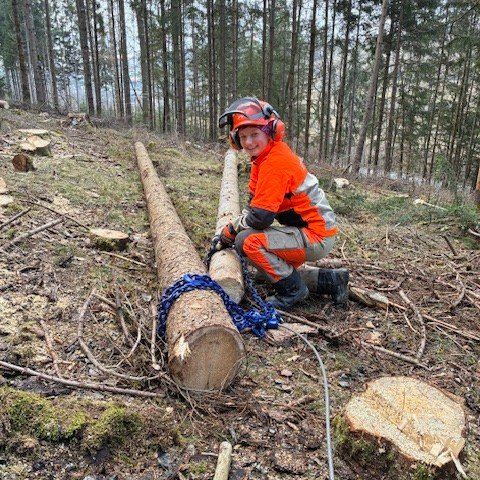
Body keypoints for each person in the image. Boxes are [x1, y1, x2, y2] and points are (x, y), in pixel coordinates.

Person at [214, 97, 348, 309]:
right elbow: (253, 204)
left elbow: (260, 218)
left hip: (316, 236)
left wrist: (231, 230)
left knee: (249, 243)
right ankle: (330, 280)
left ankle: (294, 290)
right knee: (257, 262)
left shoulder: (275, 162)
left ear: (270, 131)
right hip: (306, 231)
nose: (248, 142)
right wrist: (233, 229)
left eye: (254, 134)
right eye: (243, 136)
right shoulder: (261, 159)